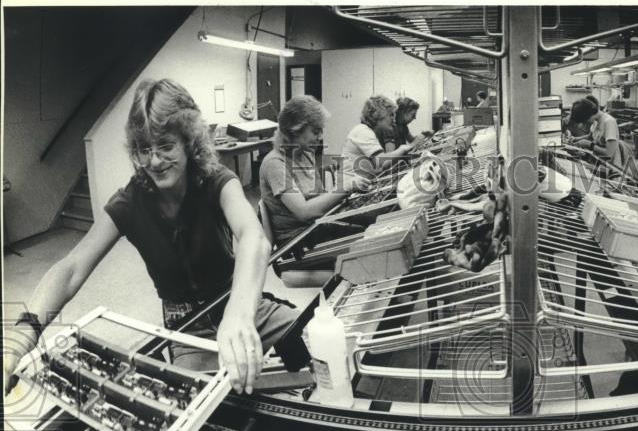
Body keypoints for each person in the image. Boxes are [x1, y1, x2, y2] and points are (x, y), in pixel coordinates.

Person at [3, 79, 296, 395]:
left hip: (238, 301)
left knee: (314, 344)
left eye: (166, 145)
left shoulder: (215, 180)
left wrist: (240, 315)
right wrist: (26, 329)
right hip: (188, 327)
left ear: (189, 142)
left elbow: (254, 237)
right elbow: (72, 266)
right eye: (144, 149)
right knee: (204, 414)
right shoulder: (130, 201)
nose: (154, 161)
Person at [259, 95, 370, 247]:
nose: (320, 137)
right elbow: (304, 212)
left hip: (315, 226)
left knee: (374, 223)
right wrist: (345, 187)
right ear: (295, 130)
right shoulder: (275, 163)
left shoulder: (305, 153)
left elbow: (316, 197)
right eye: (316, 131)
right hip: (298, 240)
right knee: (370, 240)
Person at [341, 95, 415, 180]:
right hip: (350, 185)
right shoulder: (363, 131)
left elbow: (381, 165)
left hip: (360, 181)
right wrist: (402, 149)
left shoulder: (370, 132)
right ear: (378, 115)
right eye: (391, 115)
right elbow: (381, 161)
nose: (394, 119)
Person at [567, 97, 634, 170]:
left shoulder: (609, 122)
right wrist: (576, 139)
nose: (585, 124)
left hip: (610, 166)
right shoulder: (595, 120)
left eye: (584, 121)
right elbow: (590, 136)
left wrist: (589, 145)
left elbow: (609, 153)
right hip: (597, 161)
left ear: (589, 115)